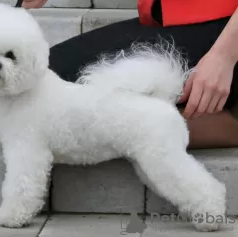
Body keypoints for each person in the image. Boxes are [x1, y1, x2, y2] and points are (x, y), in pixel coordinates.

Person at [22, 0, 238, 149]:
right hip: (174, 24)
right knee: (38, 78)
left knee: (44, 95)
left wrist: (223, 56)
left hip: (226, 32)